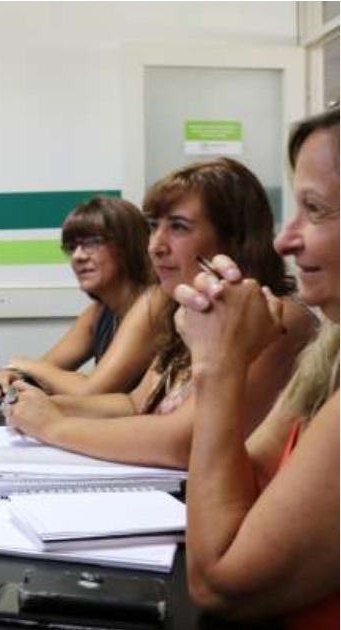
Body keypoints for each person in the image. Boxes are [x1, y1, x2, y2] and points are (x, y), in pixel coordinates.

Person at [2, 157, 316, 470]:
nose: (155, 245)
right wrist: (44, 406)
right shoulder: (187, 308)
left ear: (235, 238)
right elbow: (135, 404)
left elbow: (183, 442)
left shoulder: (277, 317)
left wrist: (52, 426)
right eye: (154, 227)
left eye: (178, 227)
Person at [173, 108, 338, 627]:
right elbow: (251, 474)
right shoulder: (330, 351)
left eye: (315, 210)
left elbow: (220, 582)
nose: (285, 240)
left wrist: (220, 366)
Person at [0, 196, 159, 396]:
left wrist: (27, 366)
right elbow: (47, 368)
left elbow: (91, 392)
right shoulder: (99, 312)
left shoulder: (153, 301)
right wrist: (7, 374)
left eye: (93, 243)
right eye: (72, 247)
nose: (78, 256)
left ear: (128, 244)